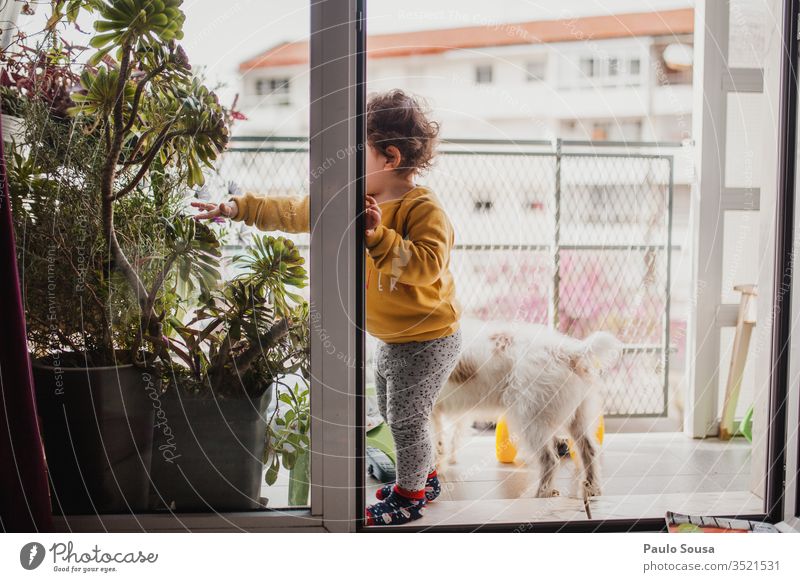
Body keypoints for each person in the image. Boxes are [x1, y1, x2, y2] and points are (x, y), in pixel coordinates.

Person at [193, 89, 462, 526]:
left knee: (405, 418)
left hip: (430, 338)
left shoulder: (421, 207)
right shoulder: (349, 199)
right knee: (399, 411)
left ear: (390, 157)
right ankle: (424, 474)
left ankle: (411, 494)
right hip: (395, 337)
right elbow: (295, 211)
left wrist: (378, 237)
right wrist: (237, 207)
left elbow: (427, 267)